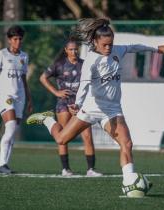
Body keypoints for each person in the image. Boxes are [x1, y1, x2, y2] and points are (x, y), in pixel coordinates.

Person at [26, 18, 164, 197]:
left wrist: (157, 49)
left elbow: (134, 46)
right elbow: (84, 86)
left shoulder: (117, 50)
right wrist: (77, 105)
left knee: (126, 143)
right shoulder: (91, 60)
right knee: (61, 140)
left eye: (111, 44)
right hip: (91, 108)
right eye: (105, 45)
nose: (108, 48)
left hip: (112, 109)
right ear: (95, 42)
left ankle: (129, 182)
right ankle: (47, 118)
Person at [39, 36, 102, 177]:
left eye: (76, 49)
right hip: (64, 103)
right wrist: (56, 92)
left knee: (87, 136)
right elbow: (42, 78)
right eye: (71, 49)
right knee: (63, 136)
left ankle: (91, 169)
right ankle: (65, 169)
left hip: (80, 104)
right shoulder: (59, 64)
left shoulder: (84, 64)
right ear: (66, 50)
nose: (74, 52)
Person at [0, 25, 32, 173]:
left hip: (20, 97)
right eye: (15, 39)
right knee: (11, 126)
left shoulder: (24, 56)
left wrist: (29, 99)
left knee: (12, 132)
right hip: (5, 96)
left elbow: (24, 79)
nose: (18, 42)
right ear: (9, 40)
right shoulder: (2, 55)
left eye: (20, 39)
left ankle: (4, 164)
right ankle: (1, 164)